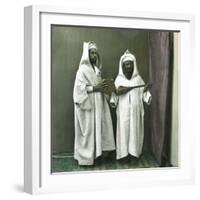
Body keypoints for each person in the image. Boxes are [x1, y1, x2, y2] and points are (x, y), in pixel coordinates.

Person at [73, 41, 115, 165]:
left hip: (99, 103)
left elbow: (99, 85)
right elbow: (78, 90)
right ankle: (86, 158)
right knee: (89, 131)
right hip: (88, 104)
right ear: (87, 54)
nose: (94, 56)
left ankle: (97, 154)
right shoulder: (82, 70)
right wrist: (95, 88)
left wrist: (106, 86)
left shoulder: (97, 70)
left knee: (99, 128)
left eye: (95, 53)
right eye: (92, 53)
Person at [110, 50, 152, 160]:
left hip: (135, 113)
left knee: (134, 132)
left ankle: (134, 154)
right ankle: (123, 155)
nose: (129, 67)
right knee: (123, 133)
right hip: (123, 113)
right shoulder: (119, 80)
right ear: (123, 66)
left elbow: (143, 92)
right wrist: (113, 100)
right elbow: (114, 96)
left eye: (130, 64)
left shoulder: (138, 79)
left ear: (134, 65)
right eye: (126, 65)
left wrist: (145, 92)